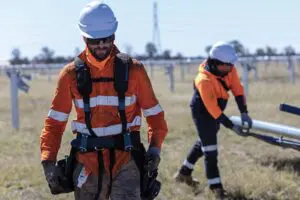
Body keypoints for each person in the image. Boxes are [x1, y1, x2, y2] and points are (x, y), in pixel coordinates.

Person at [40, 1, 168, 200]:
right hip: (87, 164)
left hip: (127, 161)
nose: (101, 45)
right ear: (84, 37)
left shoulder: (134, 70)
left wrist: (154, 149)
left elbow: (155, 116)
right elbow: (55, 123)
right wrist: (48, 162)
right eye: (95, 40)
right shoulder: (70, 74)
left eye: (107, 39)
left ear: (114, 35)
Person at [174, 42, 252, 199]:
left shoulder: (228, 69)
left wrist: (244, 112)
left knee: (203, 142)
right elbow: (213, 110)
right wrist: (232, 127)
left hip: (216, 110)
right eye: (228, 65)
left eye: (231, 65)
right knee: (210, 150)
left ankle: (183, 175)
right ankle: (216, 189)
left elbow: (238, 90)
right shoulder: (204, 80)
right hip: (203, 112)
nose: (231, 68)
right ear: (216, 63)